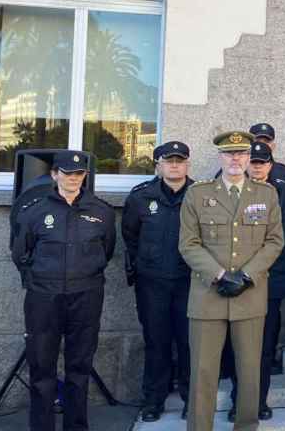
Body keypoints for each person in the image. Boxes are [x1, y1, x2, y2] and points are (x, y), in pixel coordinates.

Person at [179, 131, 285, 431]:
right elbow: (188, 244)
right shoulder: (198, 194)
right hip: (207, 295)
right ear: (219, 157)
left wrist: (247, 275)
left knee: (250, 371)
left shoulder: (266, 194)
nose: (235, 159)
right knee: (202, 371)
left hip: (249, 295)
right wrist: (220, 275)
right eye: (229, 153)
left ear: (250, 157)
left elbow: (275, 241)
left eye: (241, 153)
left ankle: (246, 426)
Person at [11, 151, 116, 431]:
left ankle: (76, 426)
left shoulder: (101, 212)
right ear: (55, 174)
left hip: (86, 297)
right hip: (44, 299)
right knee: (42, 369)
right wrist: (41, 281)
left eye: (79, 174)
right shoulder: (33, 210)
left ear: (85, 176)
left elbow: (107, 251)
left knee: (79, 369)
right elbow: (21, 253)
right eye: (67, 173)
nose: (73, 179)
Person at [224, 142, 285, 421]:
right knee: (237, 346)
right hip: (236, 280)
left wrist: (256, 266)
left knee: (265, 346)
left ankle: (258, 401)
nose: (257, 167)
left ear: (270, 165)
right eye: (252, 161)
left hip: (270, 278)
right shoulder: (231, 191)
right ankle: (238, 402)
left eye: (262, 162)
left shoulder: (281, 191)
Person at [122, 142, 194, 422]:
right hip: (153, 284)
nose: (174, 165)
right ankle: (153, 399)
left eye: (180, 160)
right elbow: (130, 235)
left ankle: (192, 398)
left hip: (190, 282)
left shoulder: (200, 195)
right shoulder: (141, 196)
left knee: (191, 342)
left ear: (187, 164)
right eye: (169, 160)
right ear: (158, 165)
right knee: (156, 341)